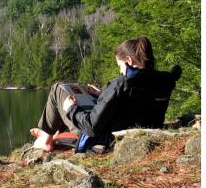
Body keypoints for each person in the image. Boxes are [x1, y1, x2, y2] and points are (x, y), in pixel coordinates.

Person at [30, 36, 181, 152]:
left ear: (128, 60)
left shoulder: (121, 84)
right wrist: (102, 94)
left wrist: (71, 109)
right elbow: (133, 103)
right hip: (138, 132)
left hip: (104, 138)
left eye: (120, 65)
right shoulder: (165, 81)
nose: (120, 71)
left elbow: (91, 127)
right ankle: (49, 134)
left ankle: (46, 137)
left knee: (58, 89)